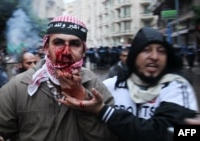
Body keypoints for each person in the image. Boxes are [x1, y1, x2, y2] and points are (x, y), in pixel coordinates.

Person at [0, 15, 118, 141]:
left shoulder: (96, 88)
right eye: (58, 43)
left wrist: (84, 103)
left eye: (75, 44)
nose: (66, 52)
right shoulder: (18, 87)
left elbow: (111, 135)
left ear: (83, 50)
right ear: (46, 47)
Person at [59, 27, 199, 141]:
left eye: (161, 51)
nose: (154, 57)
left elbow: (182, 133)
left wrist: (103, 111)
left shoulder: (178, 87)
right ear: (134, 56)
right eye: (146, 50)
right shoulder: (111, 86)